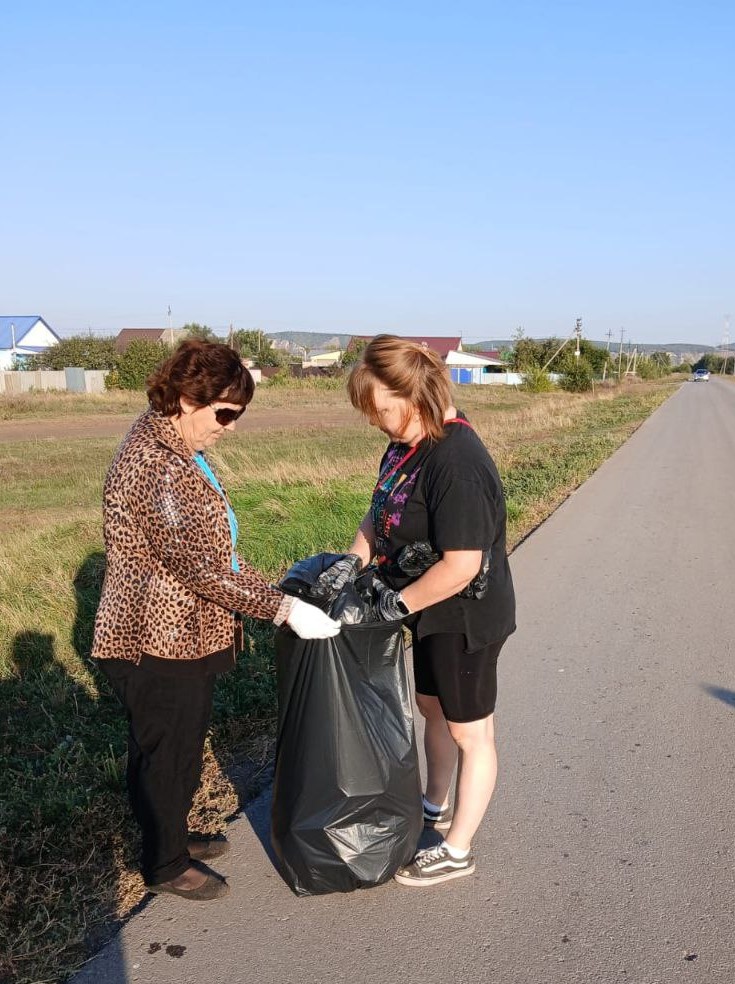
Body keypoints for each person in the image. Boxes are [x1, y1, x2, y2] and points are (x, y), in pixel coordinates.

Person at [91, 339, 340, 902]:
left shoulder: (176, 445)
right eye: (225, 413)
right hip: (153, 639)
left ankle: (171, 835)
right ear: (186, 399)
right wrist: (283, 608)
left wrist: (270, 593)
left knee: (176, 745)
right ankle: (164, 863)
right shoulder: (154, 462)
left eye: (238, 415)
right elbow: (199, 565)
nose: (230, 427)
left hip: (183, 634)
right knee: (167, 752)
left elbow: (216, 552)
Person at [324, 334, 515, 887]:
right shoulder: (407, 444)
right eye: (373, 414)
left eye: (384, 410)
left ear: (418, 394)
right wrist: (351, 564)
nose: (378, 423)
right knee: (431, 708)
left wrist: (394, 603)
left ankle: (458, 849)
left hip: (464, 618)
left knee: (469, 731)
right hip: (429, 611)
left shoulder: (457, 461)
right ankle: (434, 803)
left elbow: (461, 564)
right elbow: (378, 512)